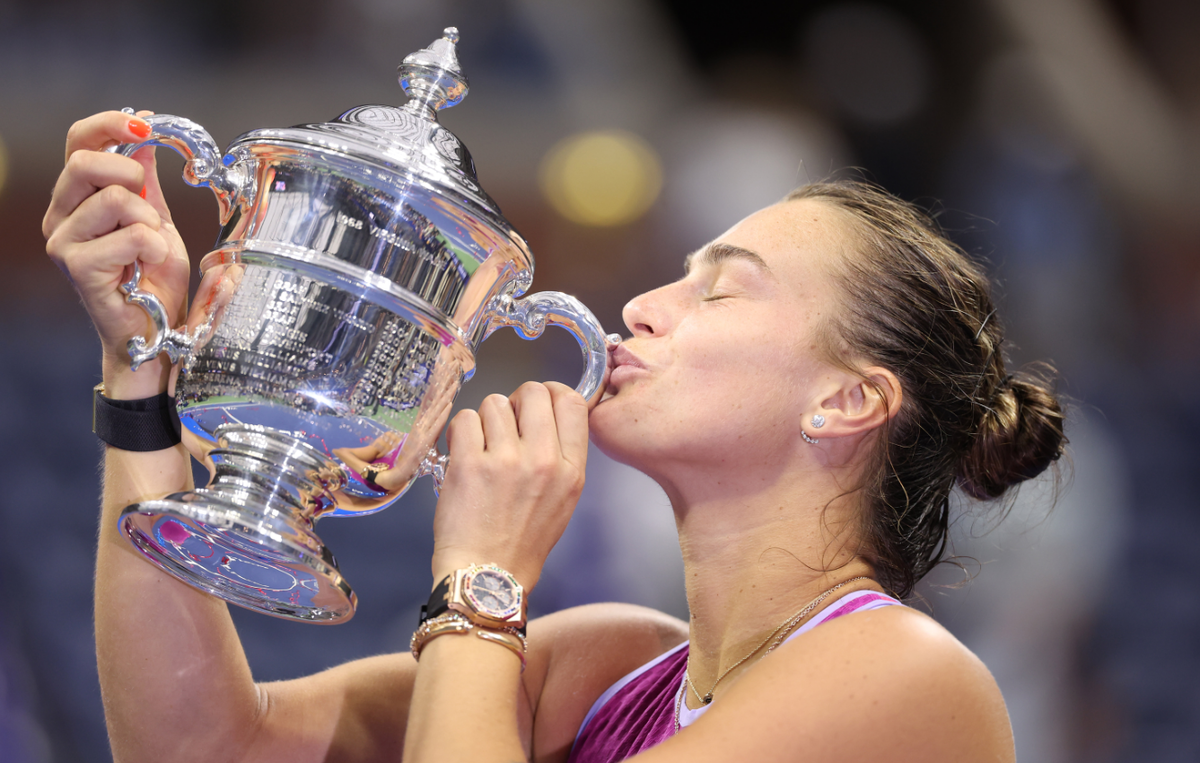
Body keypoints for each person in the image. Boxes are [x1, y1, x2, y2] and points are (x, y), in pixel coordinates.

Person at [43, 111, 1065, 763]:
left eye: (721, 289)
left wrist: (482, 578)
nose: (648, 307)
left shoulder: (905, 675)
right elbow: (204, 744)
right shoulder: (607, 663)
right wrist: (140, 363)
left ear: (847, 401)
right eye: (677, 274)